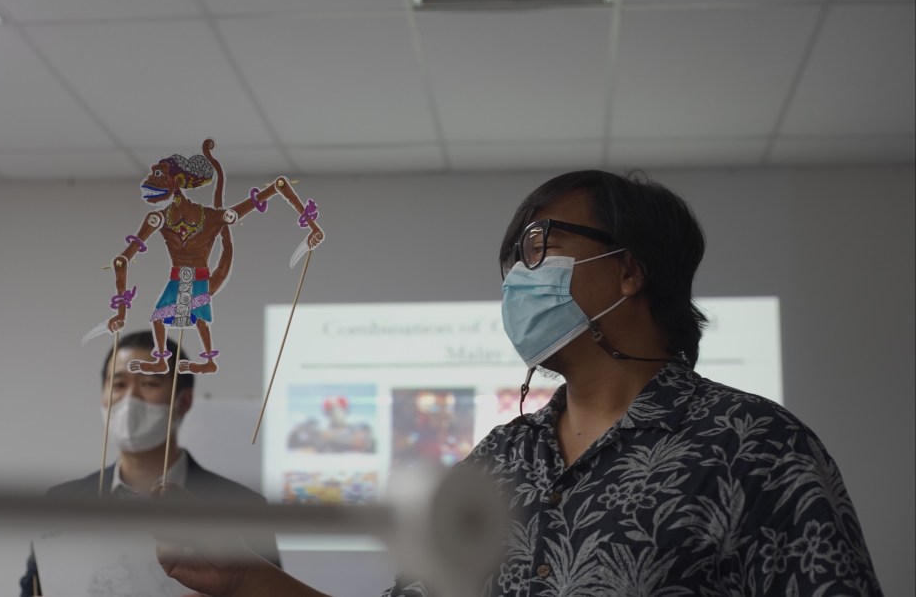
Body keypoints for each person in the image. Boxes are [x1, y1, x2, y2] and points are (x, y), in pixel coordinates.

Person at [156, 170, 882, 596]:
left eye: (539, 247)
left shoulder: (756, 447)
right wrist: (246, 580)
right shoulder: (498, 463)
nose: (517, 279)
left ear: (630, 270)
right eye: (511, 261)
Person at [18, 330, 280, 596]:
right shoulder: (61, 503)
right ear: (103, 396)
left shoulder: (242, 508)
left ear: (183, 401)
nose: (130, 398)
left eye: (149, 383)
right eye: (118, 384)